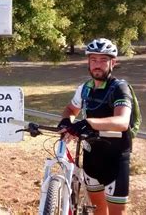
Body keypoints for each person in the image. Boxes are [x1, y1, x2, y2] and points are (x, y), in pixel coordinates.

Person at [58, 38, 132, 215]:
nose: (97, 65)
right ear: (88, 62)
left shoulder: (120, 88)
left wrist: (88, 122)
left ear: (112, 62)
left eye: (103, 60)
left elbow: (122, 122)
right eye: (93, 60)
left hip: (115, 159)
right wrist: (67, 120)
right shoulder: (85, 88)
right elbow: (70, 108)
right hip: (92, 156)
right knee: (98, 211)